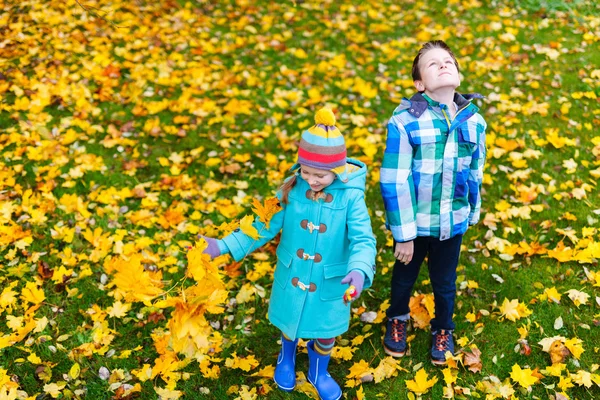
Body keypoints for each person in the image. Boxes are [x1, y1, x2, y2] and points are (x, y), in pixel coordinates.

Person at [202, 108, 377, 400]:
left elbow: (364, 239)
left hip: (330, 278)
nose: (311, 180)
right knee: (290, 320)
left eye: (319, 175)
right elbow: (263, 224)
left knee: (326, 327)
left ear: (336, 169)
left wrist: (359, 269)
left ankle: (319, 370)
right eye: (305, 172)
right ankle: (286, 356)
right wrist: (223, 245)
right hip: (293, 271)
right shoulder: (292, 188)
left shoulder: (351, 197)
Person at [379, 40, 487, 366]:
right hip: (416, 223)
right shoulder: (405, 122)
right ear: (420, 84)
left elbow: (475, 170)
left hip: (451, 220)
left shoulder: (474, 121)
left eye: (448, 61)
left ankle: (444, 327)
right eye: (432, 63)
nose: (442, 65)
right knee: (404, 277)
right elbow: (395, 178)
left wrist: (472, 210)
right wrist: (404, 234)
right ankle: (397, 317)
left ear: (458, 72)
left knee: (445, 281)